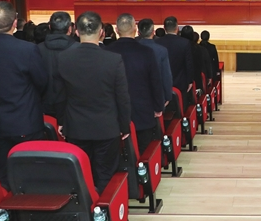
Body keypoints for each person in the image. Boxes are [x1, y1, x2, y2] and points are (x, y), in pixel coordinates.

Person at [0, 1, 48, 187]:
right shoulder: (27, 49)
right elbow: (42, 82)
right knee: (30, 174)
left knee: (3, 175)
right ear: (14, 23)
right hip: (26, 121)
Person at [57, 12, 131, 193]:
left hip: (76, 127)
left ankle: (86, 207)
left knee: (81, 173)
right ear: (101, 32)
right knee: (105, 174)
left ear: (76, 31)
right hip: (107, 127)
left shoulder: (63, 58)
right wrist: (124, 126)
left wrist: (61, 121)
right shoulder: (113, 60)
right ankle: (104, 207)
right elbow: (122, 97)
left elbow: (59, 95)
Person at [107, 14, 166, 154]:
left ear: (117, 30)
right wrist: (158, 106)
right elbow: (155, 82)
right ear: (135, 28)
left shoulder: (107, 52)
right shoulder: (147, 52)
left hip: (113, 113)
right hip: (143, 110)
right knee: (144, 151)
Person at [37, 12, 80, 118]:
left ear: (50, 27)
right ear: (70, 29)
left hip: (42, 108)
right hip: (73, 109)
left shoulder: (37, 49)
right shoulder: (80, 49)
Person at [156, 16, 194, 110]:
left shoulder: (157, 42)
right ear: (177, 27)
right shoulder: (185, 43)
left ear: (164, 28)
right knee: (181, 109)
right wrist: (190, 81)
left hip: (161, 84)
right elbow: (188, 64)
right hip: (180, 83)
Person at [137, 19, 174, 111]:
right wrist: (168, 96)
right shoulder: (161, 50)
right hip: (157, 95)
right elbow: (166, 75)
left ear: (138, 32)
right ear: (153, 32)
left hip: (136, 95)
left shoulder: (133, 48)